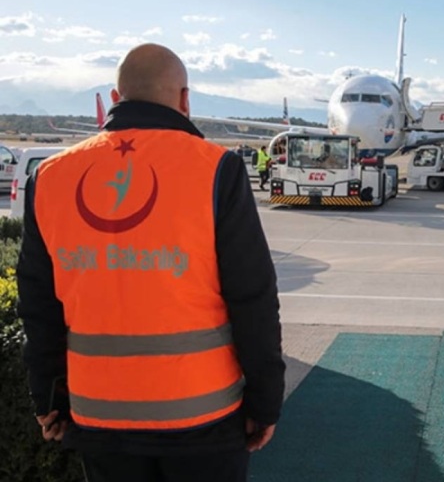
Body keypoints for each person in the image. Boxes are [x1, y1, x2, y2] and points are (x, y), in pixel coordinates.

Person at [17, 43, 285, 482]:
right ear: (184, 100)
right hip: (205, 415)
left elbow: (38, 306)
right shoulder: (217, 169)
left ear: (116, 99)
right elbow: (253, 297)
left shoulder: (49, 177)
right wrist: (265, 401)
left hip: (99, 416)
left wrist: (47, 397)